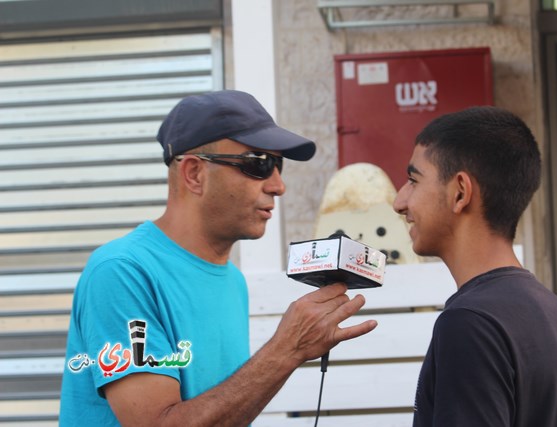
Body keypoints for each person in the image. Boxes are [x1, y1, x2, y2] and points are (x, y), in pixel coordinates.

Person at [59, 90, 377, 426]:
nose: (278, 185)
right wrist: (287, 349)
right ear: (194, 174)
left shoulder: (232, 279)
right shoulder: (122, 272)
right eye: (259, 164)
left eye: (278, 164)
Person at [393, 106, 557, 427]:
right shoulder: (552, 309)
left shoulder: (470, 324)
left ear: (460, 191)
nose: (399, 202)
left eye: (412, 180)